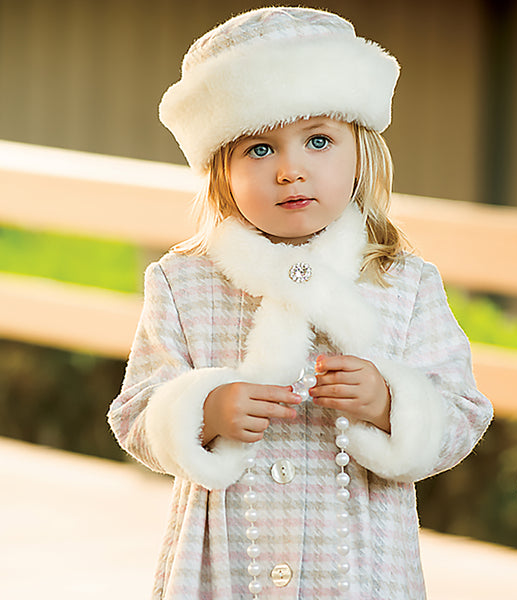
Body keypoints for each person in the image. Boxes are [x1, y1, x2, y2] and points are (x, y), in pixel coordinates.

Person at [108, 7, 493, 599]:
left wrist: (392, 402)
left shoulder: (404, 282)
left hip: (361, 567)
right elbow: (135, 412)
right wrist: (204, 411)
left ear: (361, 153)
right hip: (224, 563)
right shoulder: (183, 283)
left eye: (318, 141)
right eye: (259, 149)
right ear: (221, 171)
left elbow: (463, 411)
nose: (290, 171)